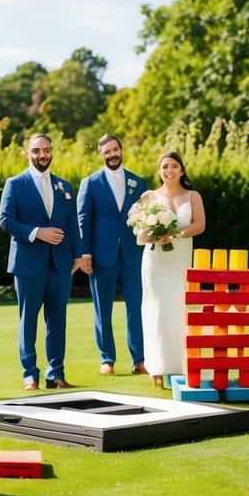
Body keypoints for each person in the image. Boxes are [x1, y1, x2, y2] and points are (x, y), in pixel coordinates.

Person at [0, 133, 84, 391]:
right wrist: (37, 233)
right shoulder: (15, 183)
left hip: (61, 264)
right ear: (28, 153)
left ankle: (56, 374)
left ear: (52, 152)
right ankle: (30, 374)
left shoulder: (65, 186)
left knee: (58, 320)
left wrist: (78, 256)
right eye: (36, 151)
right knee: (28, 320)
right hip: (28, 263)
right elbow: (6, 220)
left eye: (46, 150)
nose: (42, 155)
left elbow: (72, 224)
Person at [77, 134, 147, 377]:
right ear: (101, 154)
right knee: (102, 309)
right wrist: (84, 253)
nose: (113, 154)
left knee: (136, 308)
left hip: (133, 255)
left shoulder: (139, 183)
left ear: (121, 150)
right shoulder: (91, 183)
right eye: (107, 151)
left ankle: (140, 359)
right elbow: (83, 220)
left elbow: (146, 217)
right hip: (100, 256)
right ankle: (107, 359)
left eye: (116, 149)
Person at [138, 151, 206, 388]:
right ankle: (156, 366)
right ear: (160, 171)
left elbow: (199, 225)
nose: (169, 170)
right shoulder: (149, 197)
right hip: (155, 262)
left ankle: (181, 365)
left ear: (182, 170)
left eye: (174, 166)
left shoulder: (192, 196)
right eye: (165, 166)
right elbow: (139, 236)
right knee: (155, 310)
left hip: (180, 259)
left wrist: (173, 233)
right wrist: (152, 233)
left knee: (179, 308)